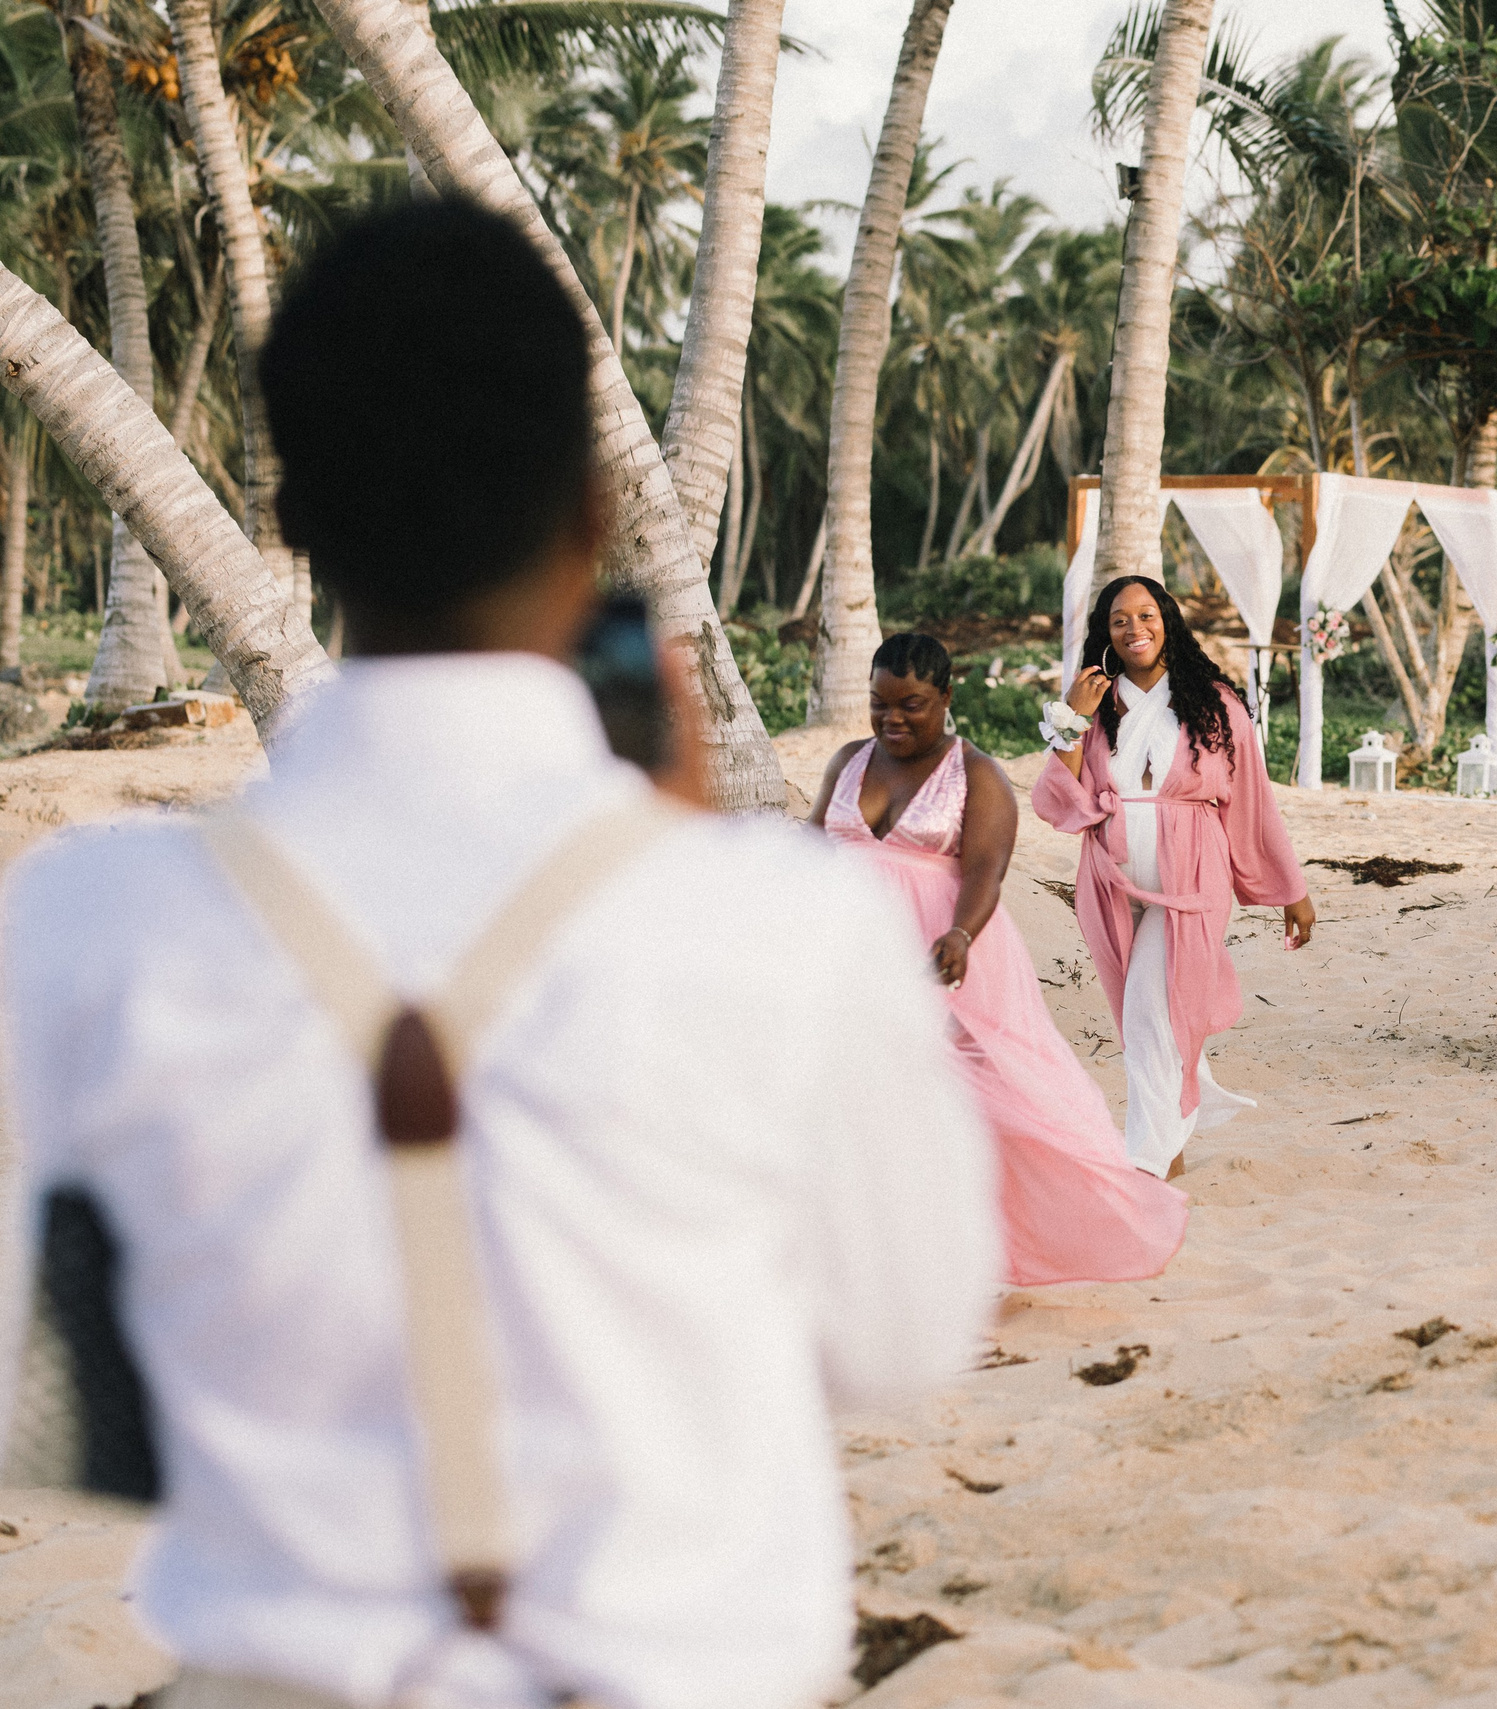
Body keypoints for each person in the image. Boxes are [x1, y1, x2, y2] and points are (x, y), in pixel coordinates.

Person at [0, 203, 998, 1709]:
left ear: (298, 516)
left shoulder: (88, 921)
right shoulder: (783, 927)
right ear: (595, 514)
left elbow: (46, 1397)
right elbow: (907, 1335)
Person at [812, 630, 1188, 1285]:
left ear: (947, 697)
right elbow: (812, 839)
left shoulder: (976, 774)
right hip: (843, 955)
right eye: (879, 703)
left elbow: (987, 869)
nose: (891, 718)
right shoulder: (848, 759)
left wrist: (960, 934)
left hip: (939, 956)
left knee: (980, 1098)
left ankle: (984, 1243)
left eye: (911, 704)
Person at [1031, 575, 1314, 1179]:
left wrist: (1290, 889)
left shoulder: (1214, 704)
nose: (1135, 629)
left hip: (1190, 882)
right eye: (1119, 620)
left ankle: (1144, 1165)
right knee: (1143, 1015)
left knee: (1149, 1013)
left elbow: (1252, 804)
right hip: (1108, 882)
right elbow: (1059, 798)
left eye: (1146, 615)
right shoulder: (1090, 702)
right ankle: (1174, 1150)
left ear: (1168, 620)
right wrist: (1073, 719)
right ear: (1105, 634)